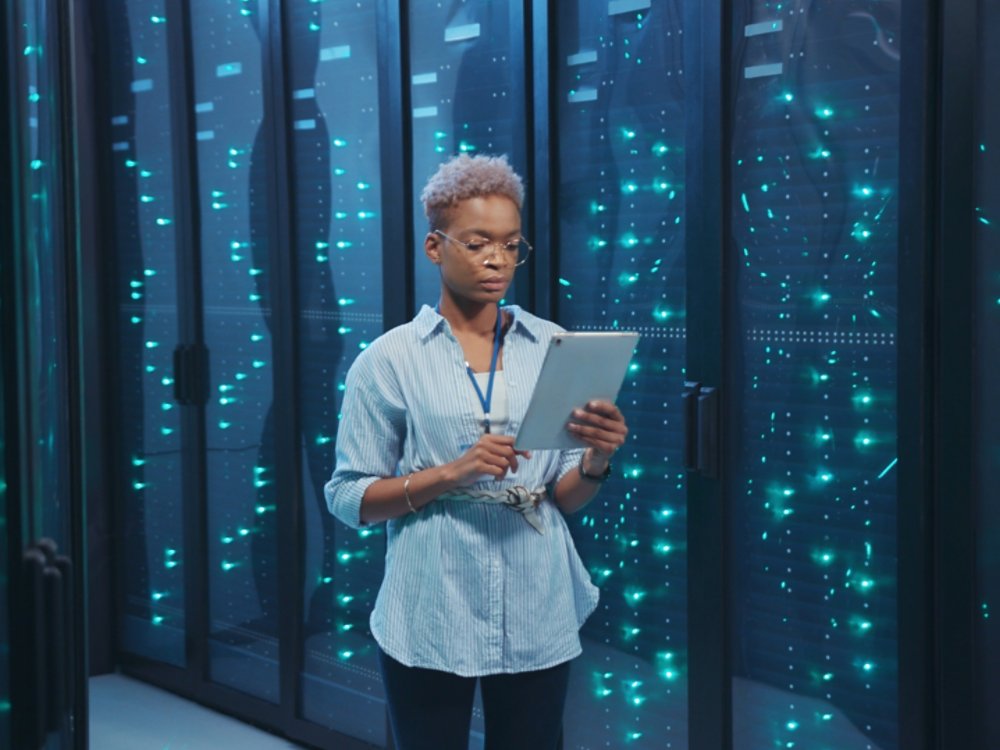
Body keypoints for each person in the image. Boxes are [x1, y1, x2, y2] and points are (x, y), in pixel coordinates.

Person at [324, 153, 628, 750]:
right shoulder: (388, 360)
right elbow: (348, 497)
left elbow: (564, 499)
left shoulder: (554, 346)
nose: (498, 259)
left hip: (537, 600)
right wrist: (450, 473)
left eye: (512, 245)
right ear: (434, 248)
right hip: (430, 604)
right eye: (478, 242)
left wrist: (596, 461)